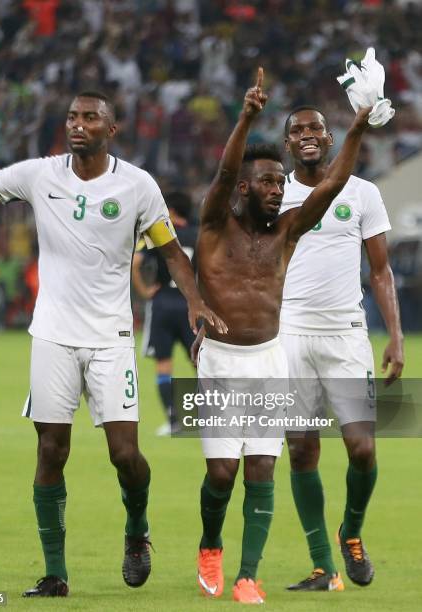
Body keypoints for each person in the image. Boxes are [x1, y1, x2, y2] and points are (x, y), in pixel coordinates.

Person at [0, 91, 226, 598]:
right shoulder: (40, 173)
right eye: (73, 116)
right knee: (51, 450)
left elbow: (171, 253)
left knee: (126, 455)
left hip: (111, 338)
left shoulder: (137, 185)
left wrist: (194, 300)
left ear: (110, 130)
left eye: (90, 117)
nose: (78, 124)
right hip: (52, 335)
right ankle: (56, 574)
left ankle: (137, 528)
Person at [192, 68, 373, 604]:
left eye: (280, 183)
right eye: (267, 183)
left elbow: (335, 183)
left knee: (264, 469)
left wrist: (359, 126)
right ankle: (210, 545)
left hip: (272, 358)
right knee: (222, 474)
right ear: (244, 188)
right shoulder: (214, 222)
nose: (278, 191)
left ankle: (249, 575)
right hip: (221, 363)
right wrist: (247, 117)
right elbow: (225, 173)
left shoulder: (289, 229)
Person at [281, 105, 404, 592]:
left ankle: (350, 532)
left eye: (314, 128)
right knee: (301, 449)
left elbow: (380, 271)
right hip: (289, 331)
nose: (307, 135)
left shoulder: (362, 192)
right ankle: (321, 566)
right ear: (288, 142)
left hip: (347, 335)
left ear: (330, 138)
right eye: (297, 130)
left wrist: (394, 336)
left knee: (363, 447)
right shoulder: (277, 193)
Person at [132, 191, 197, 436]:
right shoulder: (200, 234)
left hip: (162, 306)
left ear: (171, 210)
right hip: (191, 306)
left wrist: (145, 291)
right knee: (202, 364)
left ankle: (173, 421)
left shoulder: (160, 232)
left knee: (163, 365)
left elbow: (135, 263)